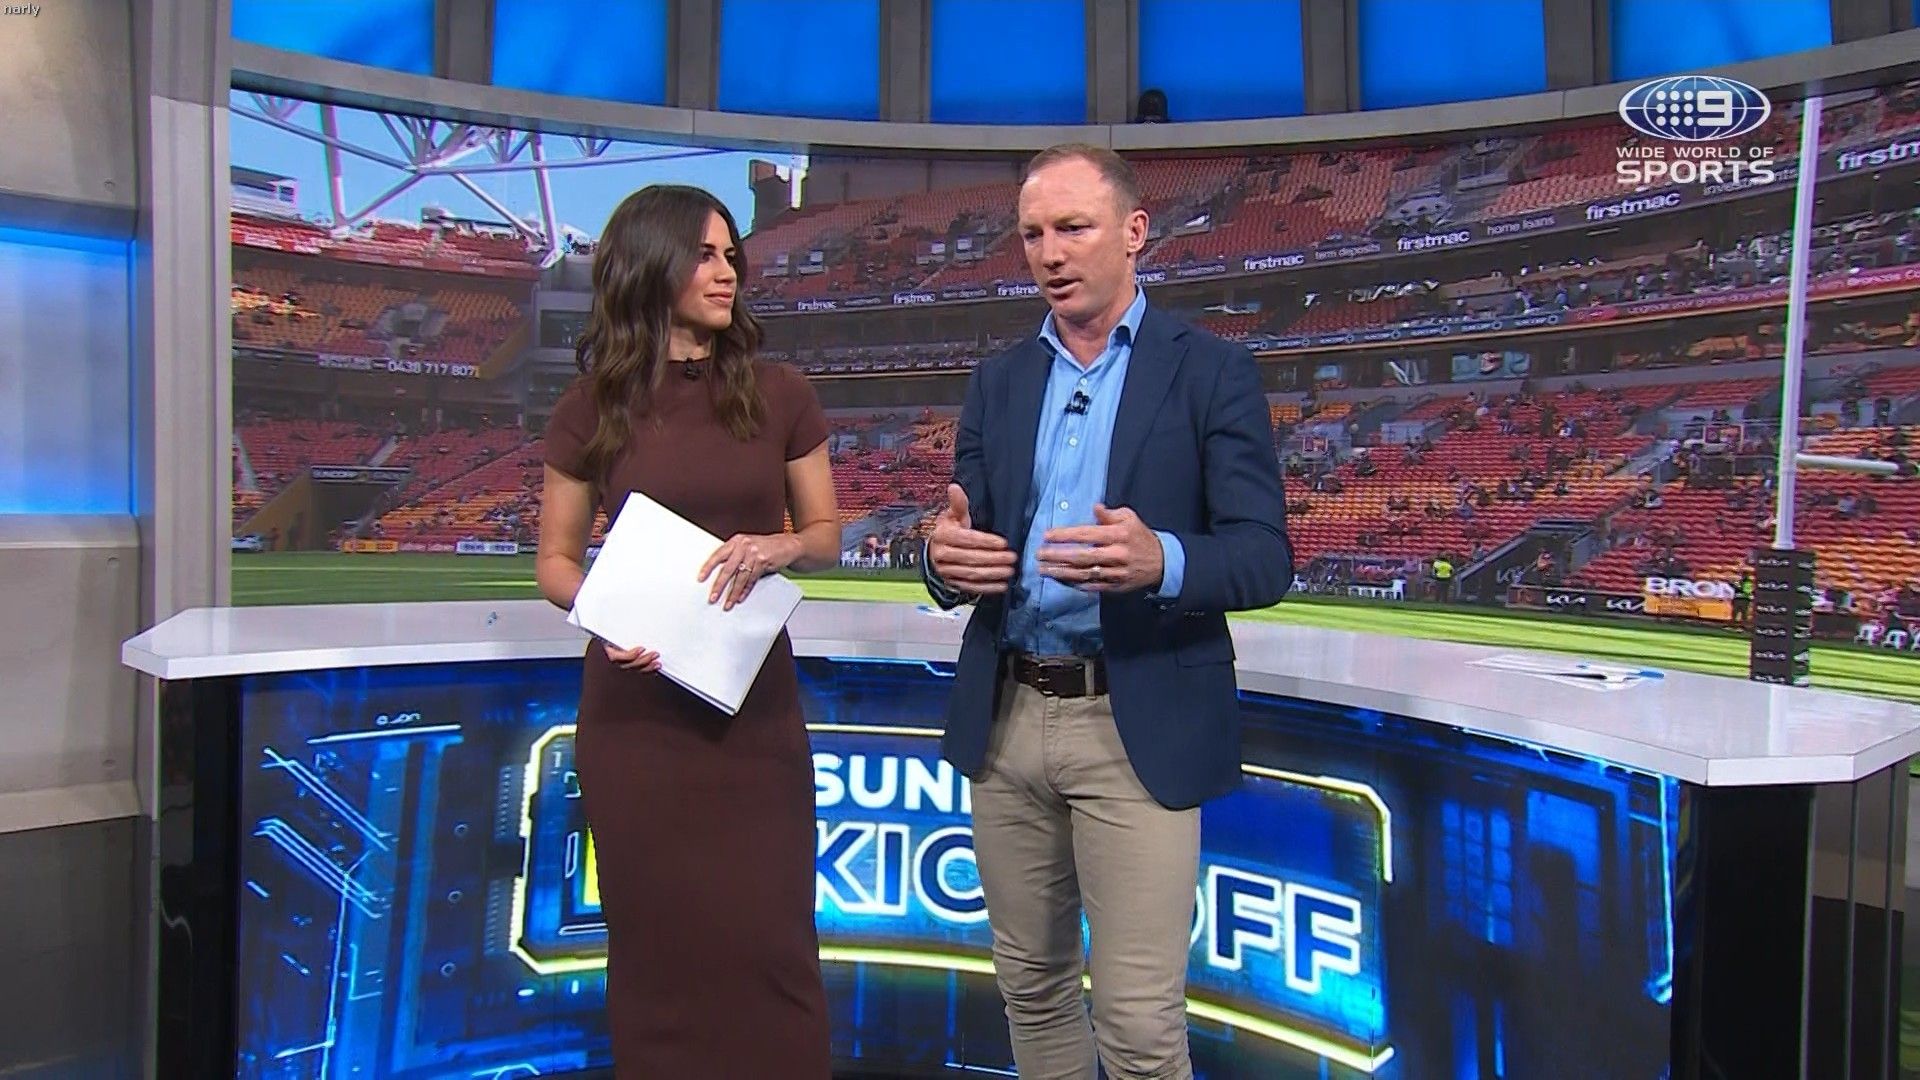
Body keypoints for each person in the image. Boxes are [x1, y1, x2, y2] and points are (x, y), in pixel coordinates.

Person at [922, 144, 1293, 1080]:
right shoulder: (999, 381)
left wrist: (1161, 558)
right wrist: (939, 559)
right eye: (1032, 235)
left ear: (1134, 232)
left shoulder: (1212, 371)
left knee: (1137, 1026)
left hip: (1134, 721)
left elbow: (1265, 555)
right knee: (1033, 991)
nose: (1050, 253)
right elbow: (962, 538)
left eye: (1073, 228)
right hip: (1007, 718)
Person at [535, 184, 840, 1078]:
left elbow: (824, 535)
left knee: (772, 943)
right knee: (656, 949)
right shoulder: (591, 406)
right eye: (704, 255)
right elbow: (555, 561)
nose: (726, 271)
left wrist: (778, 545)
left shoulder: (780, 394)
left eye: (730, 254)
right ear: (651, 264)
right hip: (638, 720)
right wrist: (604, 617)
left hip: (753, 718)